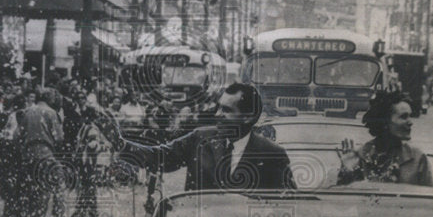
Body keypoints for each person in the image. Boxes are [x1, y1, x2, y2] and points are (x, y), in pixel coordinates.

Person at [100, 82, 296, 191]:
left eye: (227, 110)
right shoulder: (199, 139)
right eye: (218, 107)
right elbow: (160, 157)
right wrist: (120, 144)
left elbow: (290, 203)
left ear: (248, 117)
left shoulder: (272, 154)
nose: (217, 114)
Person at [337, 89, 433, 187]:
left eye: (410, 116)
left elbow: (432, 199)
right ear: (385, 122)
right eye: (403, 117)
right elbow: (344, 198)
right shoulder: (361, 155)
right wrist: (346, 171)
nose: (410, 122)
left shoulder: (417, 158)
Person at [19, 88, 66, 217]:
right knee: (57, 186)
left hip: (28, 154)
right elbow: (59, 137)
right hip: (45, 153)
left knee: (32, 189)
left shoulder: (27, 112)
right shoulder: (52, 113)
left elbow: (17, 135)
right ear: (49, 99)